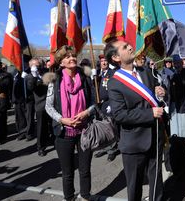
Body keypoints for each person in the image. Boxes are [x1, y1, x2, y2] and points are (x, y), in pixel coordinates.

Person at [105, 40, 166, 201]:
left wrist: (159, 92)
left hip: (155, 136)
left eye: (128, 45)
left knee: (156, 181)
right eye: (125, 47)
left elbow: (153, 97)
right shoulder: (114, 83)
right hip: (134, 141)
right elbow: (120, 115)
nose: (131, 47)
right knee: (134, 186)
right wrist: (149, 114)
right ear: (116, 57)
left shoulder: (145, 72)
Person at [45, 46, 95, 201]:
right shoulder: (55, 80)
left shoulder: (86, 78)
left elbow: (94, 103)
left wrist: (86, 113)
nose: (72, 58)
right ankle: (69, 198)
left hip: (84, 130)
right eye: (67, 57)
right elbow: (48, 105)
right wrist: (62, 119)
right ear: (61, 62)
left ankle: (85, 197)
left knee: (85, 170)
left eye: (73, 55)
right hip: (63, 131)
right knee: (67, 172)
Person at [93, 54, 120, 162]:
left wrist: (112, 105)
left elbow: (114, 90)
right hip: (98, 104)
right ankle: (104, 147)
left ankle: (112, 150)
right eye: (102, 61)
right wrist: (93, 77)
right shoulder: (97, 74)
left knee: (110, 127)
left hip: (108, 103)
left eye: (105, 61)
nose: (103, 63)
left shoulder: (112, 73)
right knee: (101, 127)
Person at [26, 58, 52, 156]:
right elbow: (31, 87)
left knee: (54, 124)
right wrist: (34, 75)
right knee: (41, 127)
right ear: (31, 66)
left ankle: (53, 140)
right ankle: (41, 147)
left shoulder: (47, 72)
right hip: (41, 105)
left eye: (39, 65)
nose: (38, 67)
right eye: (36, 65)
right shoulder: (30, 76)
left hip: (52, 103)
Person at [169, 54, 185, 138]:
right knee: (177, 131)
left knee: (184, 131)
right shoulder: (173, 75)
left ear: (182, 62)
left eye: (178, 62)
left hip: (184, 107)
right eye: (175, 63)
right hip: (175, 107)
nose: (176, 65)